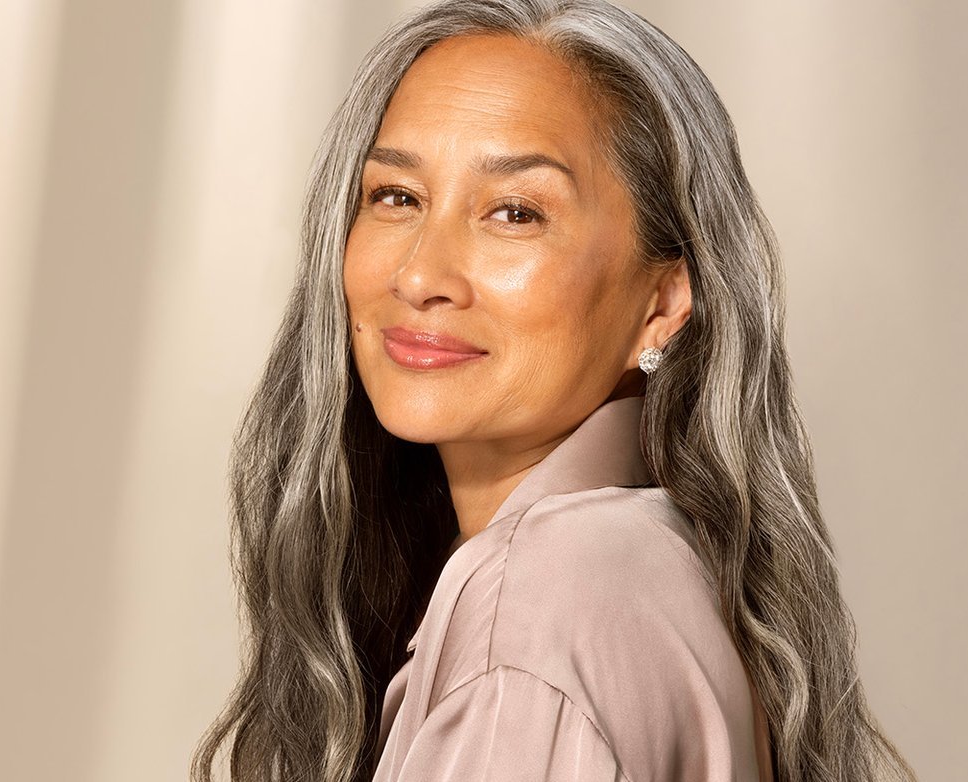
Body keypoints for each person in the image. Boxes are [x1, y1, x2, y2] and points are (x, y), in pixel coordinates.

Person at [194, 1, 916, 780]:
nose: (420, 275)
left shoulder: (535, 613)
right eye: (397, 196)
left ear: (663, 303)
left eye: (515, 213)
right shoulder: (658, 566)